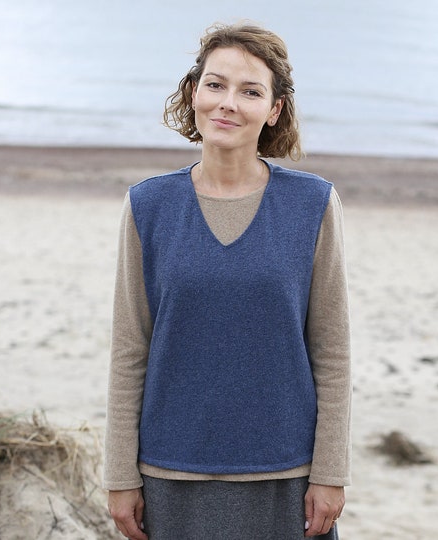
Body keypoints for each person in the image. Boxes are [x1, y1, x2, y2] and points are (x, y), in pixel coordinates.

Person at [104, 22, 351, 540]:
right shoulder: (148, 205)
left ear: (274, 109)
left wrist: (330, 472)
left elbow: (331, 349)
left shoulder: (313, 205)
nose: (228, 104)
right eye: (215, 84)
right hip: (170, 473)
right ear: (194, 92)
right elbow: (130, 349)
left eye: (250, 91)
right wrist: (120, 475)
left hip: (286, 475)